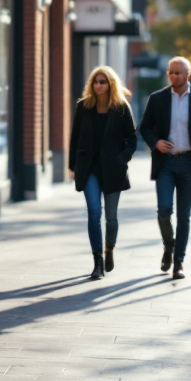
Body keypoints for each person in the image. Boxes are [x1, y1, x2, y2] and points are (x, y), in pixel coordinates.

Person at [139, 56, 191, 280]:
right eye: (171, 72)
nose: (174, 75)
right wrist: (156, 142)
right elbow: (145, 127)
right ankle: (169, 245)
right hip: (166, 163)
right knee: (164, 211)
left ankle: (179, 261)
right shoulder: (157, 99)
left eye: (178, 72)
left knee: (184, 216)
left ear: (187, 75)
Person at [67, 66, 138, 280]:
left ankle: (109, 249)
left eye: (103, 82)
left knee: (111, 217)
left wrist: (121, 158)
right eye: (96, 81)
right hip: (89, 169)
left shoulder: (121, 107)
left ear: (111, 84)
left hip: (113, 168)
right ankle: (97, 261)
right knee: (94, 212)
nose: (99, 85)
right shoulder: (83, 107)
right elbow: (75, 138)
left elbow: (132, 139)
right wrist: (73, 166)